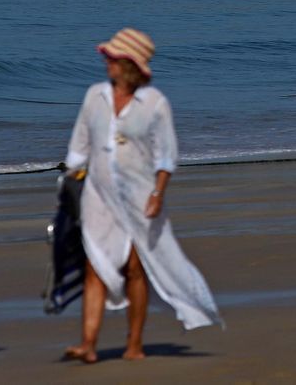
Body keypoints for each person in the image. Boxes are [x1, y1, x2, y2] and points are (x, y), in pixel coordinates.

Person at [63, 28, 221, 364]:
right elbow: (79, 145)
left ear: (129, 65)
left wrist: (158, 194)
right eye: (107, 57)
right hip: (98, 196)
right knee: (95, 265)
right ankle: (88, 344)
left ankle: (134, 343)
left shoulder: (154, 104)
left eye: (113, 58)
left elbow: (166, 156)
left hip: (139, 197)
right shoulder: (95, 96)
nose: (106, 62)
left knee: (135, 269)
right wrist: (69, 182)